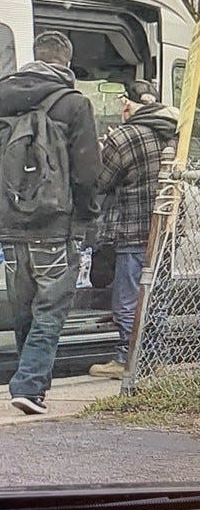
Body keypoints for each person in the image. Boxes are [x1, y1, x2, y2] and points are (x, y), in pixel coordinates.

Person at [0, 31, 101, 415]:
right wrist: (87, 218)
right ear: (66, 62)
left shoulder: (2, 104)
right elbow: (87, 173)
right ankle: (29, 386)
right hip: (55, 225)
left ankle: (29, 383)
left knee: (24, 309)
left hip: (12, 228)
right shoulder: (74, 105)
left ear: (35, 57)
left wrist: (10, 207)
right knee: (50, 309)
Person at [89, 80, 178, 379]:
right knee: (157, 298)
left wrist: (101, 149)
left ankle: (127, 360)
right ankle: (155, 359)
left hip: (133, 230)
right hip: (167, 231)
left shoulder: (125, 136)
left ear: (127, 103)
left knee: (127, 300)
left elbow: (101, 181)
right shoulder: (173, 132)